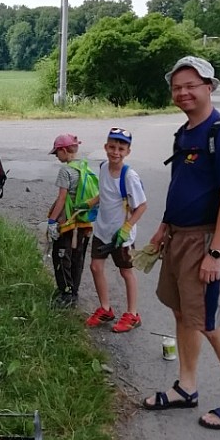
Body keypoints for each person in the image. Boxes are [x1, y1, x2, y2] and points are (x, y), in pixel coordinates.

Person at [142, 56, 220, 429]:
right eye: (177, 87)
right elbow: (181, 186)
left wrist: (216, 252)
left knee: (211, 322)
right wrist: (163, 227)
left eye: (191, 85)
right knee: (182, 313)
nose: (183, 92)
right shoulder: (186, 132)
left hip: (206, 242)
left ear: (209, 86)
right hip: (178, 237)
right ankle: (186, 387)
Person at [85, 127, 147, 333]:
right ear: (105, 147)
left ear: (128, 151)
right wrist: (89, 204)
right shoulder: (103, 167)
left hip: (122, 235)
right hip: (102, 230)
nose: (115, 152)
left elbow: (141, 206)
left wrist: (126, 228)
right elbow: (104, 193)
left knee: (126, 272)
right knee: (95, 267)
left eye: (121, 148)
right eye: (112, 147)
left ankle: (132, 314)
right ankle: (105, 309)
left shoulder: (129, 177)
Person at [46, 133, 93, 308]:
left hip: (67, 223)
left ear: (64, 150)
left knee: (61, 257)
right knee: (77, 257)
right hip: (82, 222)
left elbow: (62, 198)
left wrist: (52, 221)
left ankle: (65, 294)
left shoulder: (66, 170)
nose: (57, 157)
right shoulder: (84, 166)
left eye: (57, 153)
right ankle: (74, 291)